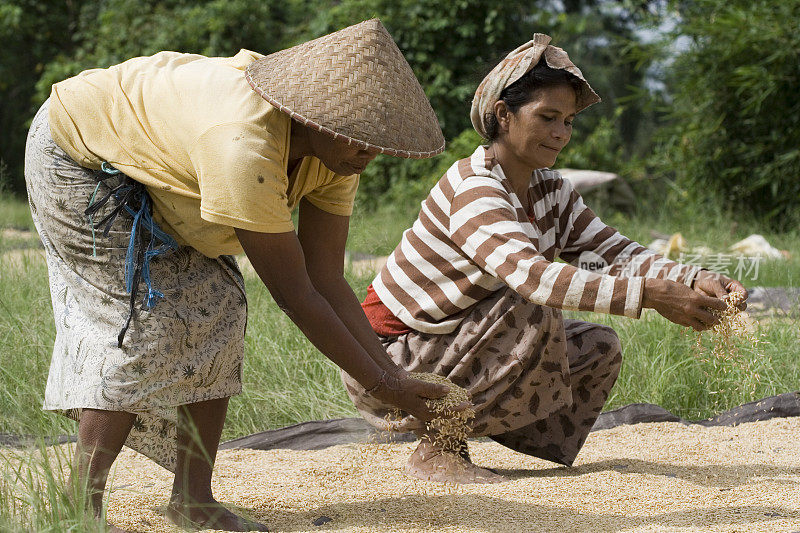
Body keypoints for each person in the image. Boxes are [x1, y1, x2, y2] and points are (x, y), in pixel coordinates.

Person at [25, 19, 461, 532]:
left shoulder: (338, 154)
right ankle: (78, 507)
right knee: (137, 324)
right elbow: (296, 295)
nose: (370, 151)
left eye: (378, 138)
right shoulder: (242, 143)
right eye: (359, 135)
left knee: (222, 308)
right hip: (80, 153)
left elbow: (325, 277)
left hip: (164, 164)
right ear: (312, 116)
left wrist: (395, 378)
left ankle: (193, 500)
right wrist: (384, 386)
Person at [342, 33, 748, 485]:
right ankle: (438, 450)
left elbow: (613, 251)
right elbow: (533, 278)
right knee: (532, 301)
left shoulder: (550, 189)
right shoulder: (474, 187)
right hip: (386, 364)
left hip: (448, 350)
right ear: (504, 115)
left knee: (598, 348)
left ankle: (493, 445)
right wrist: (650, 295)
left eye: (569, 122)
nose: (561, 133)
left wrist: (695, 277)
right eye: (548, 117)